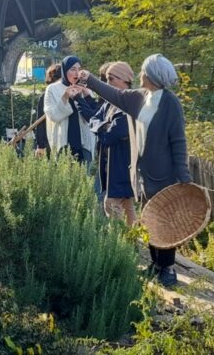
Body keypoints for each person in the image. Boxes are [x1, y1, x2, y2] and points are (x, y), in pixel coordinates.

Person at [79, 54, 191, 287]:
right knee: (149, 219)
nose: (139, 75)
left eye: (143, 71)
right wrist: (89, 79)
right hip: (142, 175)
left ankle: (168, 267)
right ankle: (156, 263)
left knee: (165, 221)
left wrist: (184, 178)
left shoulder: (171, 104)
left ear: (152, 76)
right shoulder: (140, 97)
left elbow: (178, 142)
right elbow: (114, 94)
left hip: (165, 175)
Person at [91, 62, 137, 226]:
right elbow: (93, 120)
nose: (107, 84)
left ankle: (120, 242)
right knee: (126, 204)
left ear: (124, 79)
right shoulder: (110, 102)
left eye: (111, 79)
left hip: (124, 163)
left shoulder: (130, 103)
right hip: (111, 163)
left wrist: (102, 128)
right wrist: (104, 126)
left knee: (110, 204)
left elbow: (112, 135)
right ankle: (132, 242)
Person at [43, 56, 97, 162]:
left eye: (79, 69)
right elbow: (53, 116)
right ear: (64, 70)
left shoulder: (85, 88)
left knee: (85, 176)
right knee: (65, 177)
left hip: (85, 143)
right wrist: (65, 97)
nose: (77, 73)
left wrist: (86, 95)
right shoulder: (52, 89)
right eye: (73, 69)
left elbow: (94, 116)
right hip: (63, 144)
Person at [33, 64, 62, 158]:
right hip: (48, 139)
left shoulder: (69, 94)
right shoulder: (46, 96)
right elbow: (40, 122)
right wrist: (40, 145)